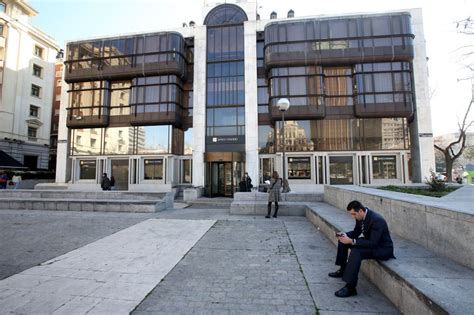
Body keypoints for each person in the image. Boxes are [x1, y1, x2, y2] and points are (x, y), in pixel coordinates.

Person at [329, 200, 395, 298]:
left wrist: (352, 241)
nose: (353, 217)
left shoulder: (377, 220)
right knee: (343, 241)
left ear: (360, 210)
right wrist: (345, 235)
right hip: (370, 243)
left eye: (354, 214)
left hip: (382, 248)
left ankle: (350, 288)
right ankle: (343, 270)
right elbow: (356, 232)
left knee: (356, 251)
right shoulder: (360, 216)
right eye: (351, 214)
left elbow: (373, 242)